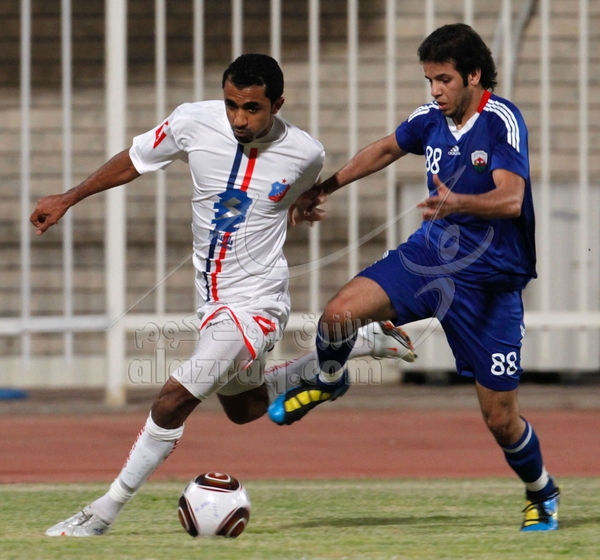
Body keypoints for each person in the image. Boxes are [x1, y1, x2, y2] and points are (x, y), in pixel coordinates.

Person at [32, 53, 415, 537]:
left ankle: (102, 512)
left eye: (252, 108)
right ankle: (358, 345)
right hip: (213, 303)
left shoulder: (305, 153)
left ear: (277, 104)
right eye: (232, 105)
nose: (239, 118)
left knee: (173, 399)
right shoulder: (192, 121)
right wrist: (68, 198)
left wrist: (302, 205)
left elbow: (298, 193)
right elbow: (134, 160)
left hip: (258, 302)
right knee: (245, 409)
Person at [268, 24, 560, 532]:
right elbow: (385, 149)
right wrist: (325, 188)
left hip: (489, 287)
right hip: (430, 259)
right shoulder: (431, 119)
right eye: (429, 80)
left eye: (444, 79)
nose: (435, 90)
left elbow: (512, 198)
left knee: (500, 419)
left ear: (474, 75)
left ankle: (542, 491)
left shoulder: (502, 120)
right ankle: (330, 380)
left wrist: (459, 201)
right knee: (338, 315)